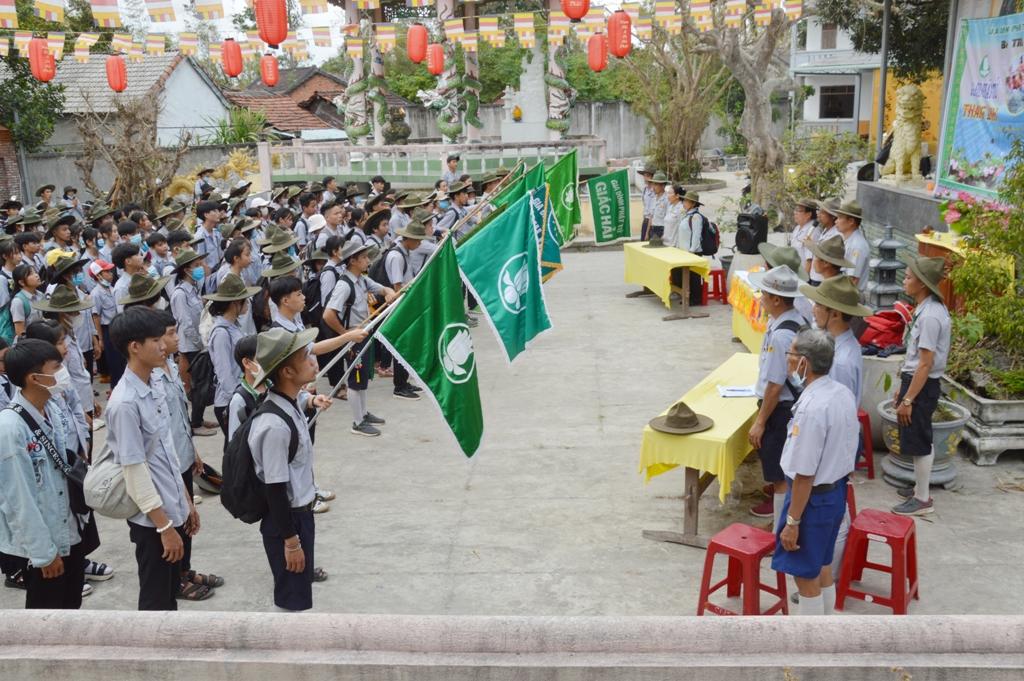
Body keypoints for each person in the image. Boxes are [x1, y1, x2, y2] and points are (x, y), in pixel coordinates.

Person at [107, 306, 197, 611]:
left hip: (171, 506)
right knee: (156, 601)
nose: (164, 346)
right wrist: (164, 528)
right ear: (135, 347)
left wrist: (186, 501)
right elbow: (134, 471)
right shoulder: (124, 403)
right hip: (152, 521)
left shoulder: (154, 383)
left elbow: (167, 451)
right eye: (156, 340)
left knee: (169, 593)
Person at [772, 329, 859, 616]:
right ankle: (828, 629)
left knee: (805, 578)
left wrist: (792, 521)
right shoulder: (842, 394)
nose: (787, 359)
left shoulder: (812, 408)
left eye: (791, 354)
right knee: (822, 567)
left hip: (811, 500)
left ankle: (810, 639)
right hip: (834, 494)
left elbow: (804, 473)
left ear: (804, 363)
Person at [248, 327, 333, 611]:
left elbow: (299, 400)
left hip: (300, 515)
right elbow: (274, 489)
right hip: (287, 520)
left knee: (299, 590)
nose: (313, 362)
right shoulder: (274, 426)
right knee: (291, 600)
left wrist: (311, 400)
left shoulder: (289, 400)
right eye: (305, 357)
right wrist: (291, 542)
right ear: (286, 372)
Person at [0, 339, 86, 609]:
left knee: (71, 607)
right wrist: (43, 553)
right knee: (46, 615)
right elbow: (19, 500)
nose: (63, 372)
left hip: (68, 530)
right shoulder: (10, 429)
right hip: (43, 544)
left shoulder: (52, 407)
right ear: (35, 378)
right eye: (57, 367)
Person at [799, 274, 872, 583]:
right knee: (833, 512)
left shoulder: (840, 360)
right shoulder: (839, 347)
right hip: (837, 442)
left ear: (836, 314)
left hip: (833, 444)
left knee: (832, 517)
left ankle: (827, 577)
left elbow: (834, 410)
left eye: (820, 305)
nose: (814, 309)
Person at [151, 310, 221, 602]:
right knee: (175, 519)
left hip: (182, 455)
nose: (176, 338)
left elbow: (179, 417)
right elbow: (160, 429)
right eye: (170, 333)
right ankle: (175, 578)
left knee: (188, 518)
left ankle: (185, 569)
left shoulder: (169, 365)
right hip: (167, 463)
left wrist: (193, 451)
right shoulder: (152, 377)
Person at [746, 265, 805, 527]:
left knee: (779, 474)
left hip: (780, 409)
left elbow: (775, 385)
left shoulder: (783, 335)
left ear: (777, 299)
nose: (761, 298)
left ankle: (780, 528)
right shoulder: (790, 320)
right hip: (785, 405)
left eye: (764, 294)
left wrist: (760, 422)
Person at [892, 257, 951, 517]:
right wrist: (903, 389)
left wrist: (909, 399)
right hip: (916, 381)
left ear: (923, 284)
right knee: (918, 437)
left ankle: (923, 499)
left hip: (923, 385)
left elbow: (925, 363)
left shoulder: (930, 316)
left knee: (920, 439)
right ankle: (919, 487)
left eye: (908, 277)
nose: (904, 281)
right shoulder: (925, 310)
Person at [323, 241, 396, 436]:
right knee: (355, 378)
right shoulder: (344, 285)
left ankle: (363, 414)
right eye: (363, 257)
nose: (368, 260)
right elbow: (328, 314)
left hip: (363, 332)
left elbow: (383, 289)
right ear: (352, 261)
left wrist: (389, 292)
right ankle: (357, 422)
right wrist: (345, 335)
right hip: (352, 336)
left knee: (362, 376)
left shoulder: (361, 280)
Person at [204, 273, 260, 445]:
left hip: (239, 394)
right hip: (229, 400)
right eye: (245, 300)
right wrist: (236, 400)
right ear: (235, 303)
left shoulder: (233, 326)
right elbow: (224, 373)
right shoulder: (221, 333)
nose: (248, 304)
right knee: (236, 448)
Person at [385, 219, 427, 401]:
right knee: (401, 345)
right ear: (408, 239)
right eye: (418, 240)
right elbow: (397, 286)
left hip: (406, 303)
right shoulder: (396, 256)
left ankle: (405, 381)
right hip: (400, 306)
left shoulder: (405, 253)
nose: (420, 244)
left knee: (408, 344)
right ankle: (399, 385)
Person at [675, 191, 709, 307]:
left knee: (694, 277)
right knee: (685, 276)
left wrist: (691, 251)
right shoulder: (686, 215)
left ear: (693, 203)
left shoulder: (696, 217)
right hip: (684, 252)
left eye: (686, 201)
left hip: (693, 253)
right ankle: (687, 297)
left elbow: (696, 236)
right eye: (684, 200)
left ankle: (695, 298)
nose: (684, 203)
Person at [832, 201, 870, 292]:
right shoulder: (847, 240)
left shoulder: (857, 245)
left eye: (840, 217)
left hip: (850, 294)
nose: (836, 221)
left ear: (851, 221)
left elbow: (853, 280)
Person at [805, 199, 840, 286]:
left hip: (822, 279)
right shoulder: (825, 230)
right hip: (815, 276)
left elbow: (826, 256)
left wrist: (811, 245)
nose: (819, 215)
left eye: (823, 213)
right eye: (819, 211)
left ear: (832, 216)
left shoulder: (836, 235)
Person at [790, 199, 817, 276]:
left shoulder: (813, 230)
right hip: (794, 272)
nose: (795, 213)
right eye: (795, 210)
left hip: (803, 275)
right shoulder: (797, 228)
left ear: (808, 214)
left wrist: (805, 279)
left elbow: (809, 259)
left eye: (799, 211)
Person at [647, 172, 670, 240]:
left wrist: (665, 234)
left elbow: (668, 219)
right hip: (652, 229)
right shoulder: (653, 198)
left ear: (663, 186)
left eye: (656, 185)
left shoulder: (667, 199)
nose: (653, 187)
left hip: (662, 230)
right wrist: (647, 233)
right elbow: (651, 217)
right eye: (653, 184)